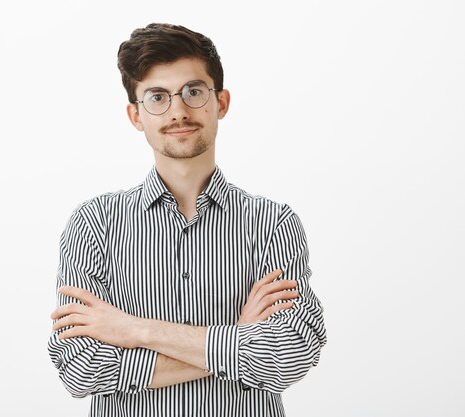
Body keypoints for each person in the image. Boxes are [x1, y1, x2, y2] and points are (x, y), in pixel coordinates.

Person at [48, 23, 327, 416]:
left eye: (194, 92)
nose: (178, 111)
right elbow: (78, 367)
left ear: (221, 103)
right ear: (135, 115)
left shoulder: (271, 223)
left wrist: (134, 331)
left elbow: (291, 355)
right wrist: (240, 339)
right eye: (157, 97)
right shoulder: (94, 223)